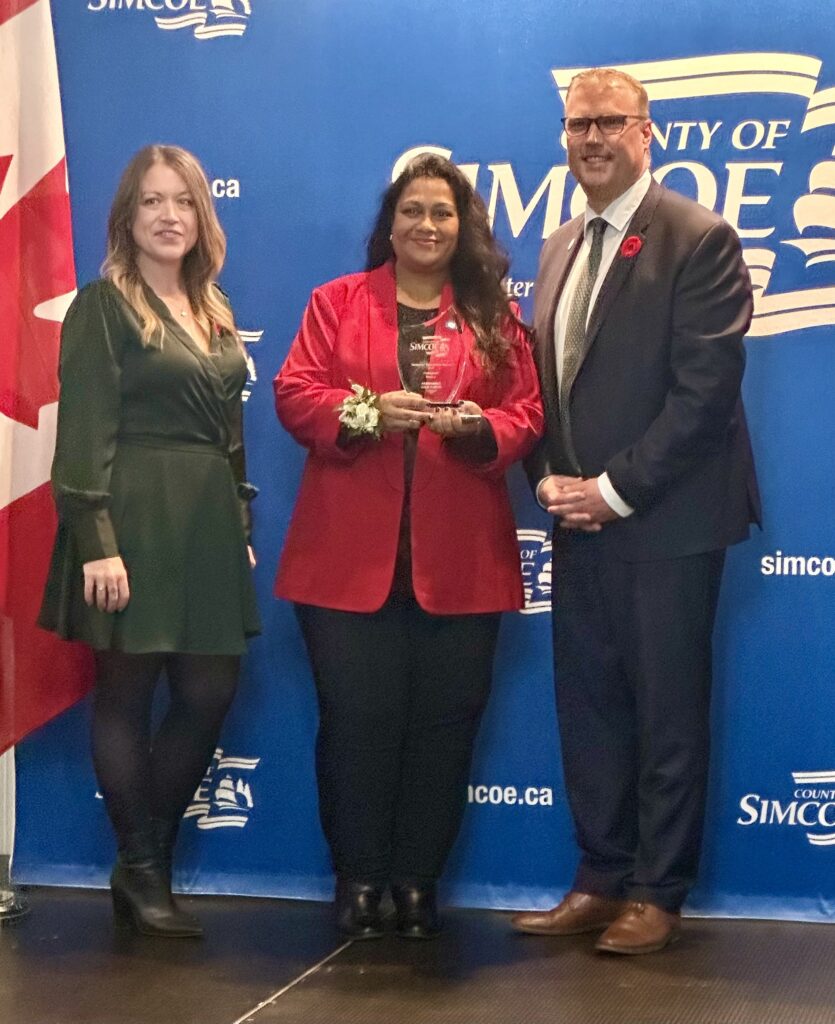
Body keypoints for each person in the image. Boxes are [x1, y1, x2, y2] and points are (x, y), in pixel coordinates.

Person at [511, 68, 760, 954]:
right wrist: (546, 479)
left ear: (647, 132)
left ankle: (657, 890)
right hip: (573, 519)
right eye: (577, 124)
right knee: (588, 709)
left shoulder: (698, 238)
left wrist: (611, 492)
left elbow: (703, 396)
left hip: (666, 522)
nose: (591, 139)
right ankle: (599, 875)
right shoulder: (556, 243)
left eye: (610, 122)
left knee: (664, 710)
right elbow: (540, 384)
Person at [274, 154, 543, 940]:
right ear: (389, 224)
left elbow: (527, 413)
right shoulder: (336, 302)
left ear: (464, 229)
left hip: (462, 564)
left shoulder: (496, 319)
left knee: (445, 727)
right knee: (355, 723)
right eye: (413, 211)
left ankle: (418, 883)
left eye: (443, 213)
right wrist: (362, 414)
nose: (427, 225)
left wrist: (480, 428)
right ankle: (357, 880)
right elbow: (296, 393)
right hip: (345, 563)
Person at [39, 145, 261, 937]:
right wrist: (97, 539)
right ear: (127, 218)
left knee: (209, 693)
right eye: (152, 202)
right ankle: (143, 867)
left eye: (184, 202)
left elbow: (230, 438)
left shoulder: (217, 308)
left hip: (205, 523)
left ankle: (143, 859)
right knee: (126, 696)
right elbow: (84, 435)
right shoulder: (104, 306)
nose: (169, 216)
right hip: (129, 516)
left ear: (203, 216)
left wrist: (237, 526)